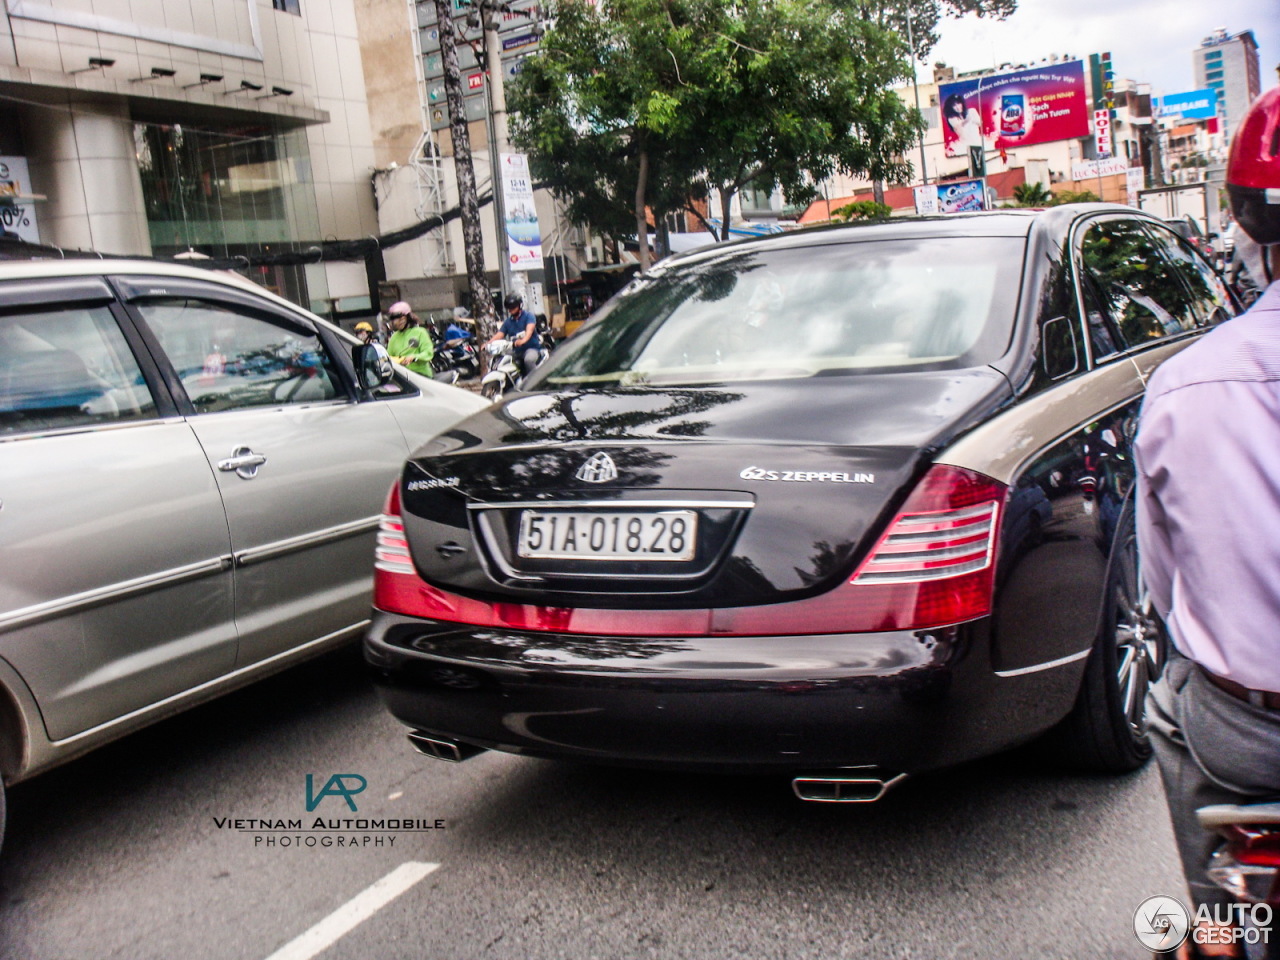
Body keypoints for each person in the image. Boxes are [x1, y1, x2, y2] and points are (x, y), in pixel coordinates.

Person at [1137, 86, 1280, 959]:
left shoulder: (1186, 386)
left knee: (1171, 701)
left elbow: (1164, 585)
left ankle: (1224, 926)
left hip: (1246, 737)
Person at [490, 292, 541, 378]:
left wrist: (522, 341)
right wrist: (488, 343)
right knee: (501, 359)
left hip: (531, 348)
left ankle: (534, 382)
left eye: (513, 307)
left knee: (528, 360)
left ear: (519, 306)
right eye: (509, 308)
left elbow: (529, 331)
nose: (511, 310)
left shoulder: (529, 316)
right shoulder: (508, 322)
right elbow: (499, 334)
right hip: (516, 351)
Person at [384, 301, 434, 376]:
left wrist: (413, 357)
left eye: (400, 319)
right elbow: (388, 356)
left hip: (420, 374)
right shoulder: (394, 337)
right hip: (402, 375)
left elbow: (428, 352)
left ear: (406, 318)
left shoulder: (420, 332)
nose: (396, 322)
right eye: (394, 320)